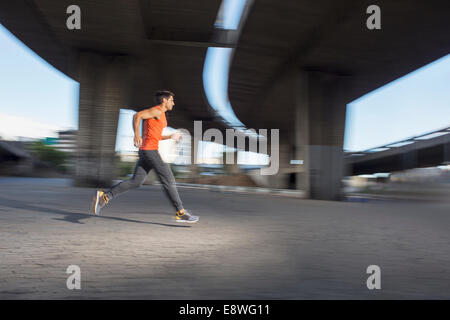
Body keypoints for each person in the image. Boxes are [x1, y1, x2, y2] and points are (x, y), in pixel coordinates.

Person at [91, 90, 199, 223]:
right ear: (164, 101)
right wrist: (136, 134)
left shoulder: (162, 116)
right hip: (150, 151)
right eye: (171, 100)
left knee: (136, 181)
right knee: (168, 179)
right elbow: (137, 116)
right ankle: (181, 212)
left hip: (145, 151)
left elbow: (156, 136)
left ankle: (104, 197)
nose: (174, 103)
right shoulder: (157, 110)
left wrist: (170, 136)